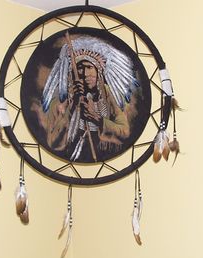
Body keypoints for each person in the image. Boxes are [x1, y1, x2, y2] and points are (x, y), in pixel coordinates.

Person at [31, 34, 140, 162]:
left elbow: (125, 132)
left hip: (104, 155)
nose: (85, 73)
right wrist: (72, 108)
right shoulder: (61, 102)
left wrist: (98, 119)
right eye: (80, 68)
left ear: (98, 70)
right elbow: (53, 142)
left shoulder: (109, 96)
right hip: (72, 155)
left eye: (89, 67)